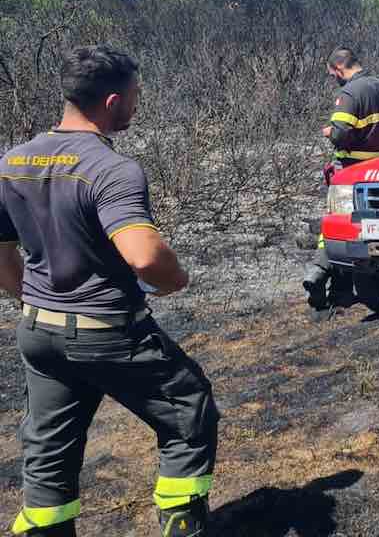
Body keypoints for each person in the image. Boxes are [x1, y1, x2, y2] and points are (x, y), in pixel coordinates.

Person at [0, 45, 218, 537]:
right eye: (135, 96)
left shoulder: (11, 161)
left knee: (48, 448)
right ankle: (182, 526)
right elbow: (143, 255)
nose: (136, 106)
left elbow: (1, 255)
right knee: (188, 409)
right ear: (114, 100)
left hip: (38, 333)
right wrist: (173, 280)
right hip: (108, 331)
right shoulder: (111, 168)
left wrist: (31, 299)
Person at [301, 47, 379, 309]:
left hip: (351, 168)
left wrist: (328, 131)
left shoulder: (349, 93)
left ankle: (320, 271)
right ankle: (353, 283)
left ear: (339, 68)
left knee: (339, 222)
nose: (334, 79)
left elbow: (340, 134)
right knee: (372, 226)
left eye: (332, 74)